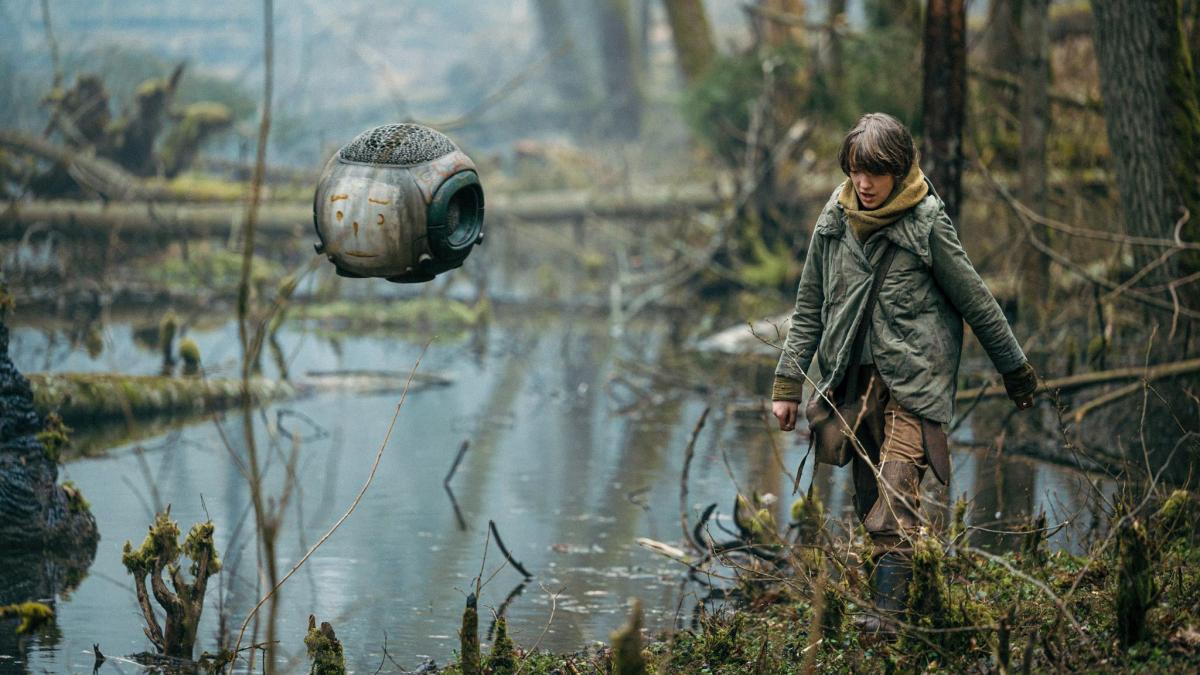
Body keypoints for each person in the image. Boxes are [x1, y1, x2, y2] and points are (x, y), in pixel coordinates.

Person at [769, 112, 1038, 634]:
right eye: (854, 171)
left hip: (914, 383)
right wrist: (787, 386)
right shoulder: (834, 217)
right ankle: (905, 608)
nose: (863, 184)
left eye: (874, 173)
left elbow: (976, 300)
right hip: (854, 384)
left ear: (899, 169)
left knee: (894, 499)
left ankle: (888, 622)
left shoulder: (927, 222)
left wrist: (1017, 372)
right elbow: (808, 308)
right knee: (872, 502)